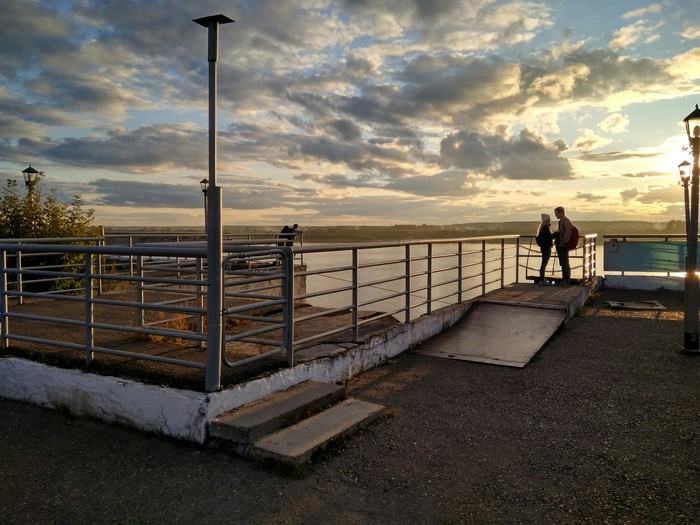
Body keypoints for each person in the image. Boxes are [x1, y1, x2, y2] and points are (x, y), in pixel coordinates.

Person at [553, 206, 572, 285]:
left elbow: (568, 233)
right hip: (561, 245)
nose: (555, 215)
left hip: (563, 246)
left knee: (564, 263)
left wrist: (562, 242)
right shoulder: (561, 221)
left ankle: (566, 280)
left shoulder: (566, 222)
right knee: (563, 262)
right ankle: (565, 279)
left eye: (556, 213)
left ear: (560, 213)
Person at [535, 213, 553, 285]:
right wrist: (557, 233)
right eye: (549, 219)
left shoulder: (542, 228)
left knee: (543, 263)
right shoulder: (546, 228)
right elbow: (550, 237)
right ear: (546, 220)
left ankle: (542, 278)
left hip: (544, 248)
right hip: (546, 248)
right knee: (544, 264)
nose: (550, 220)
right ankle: (542, 279)